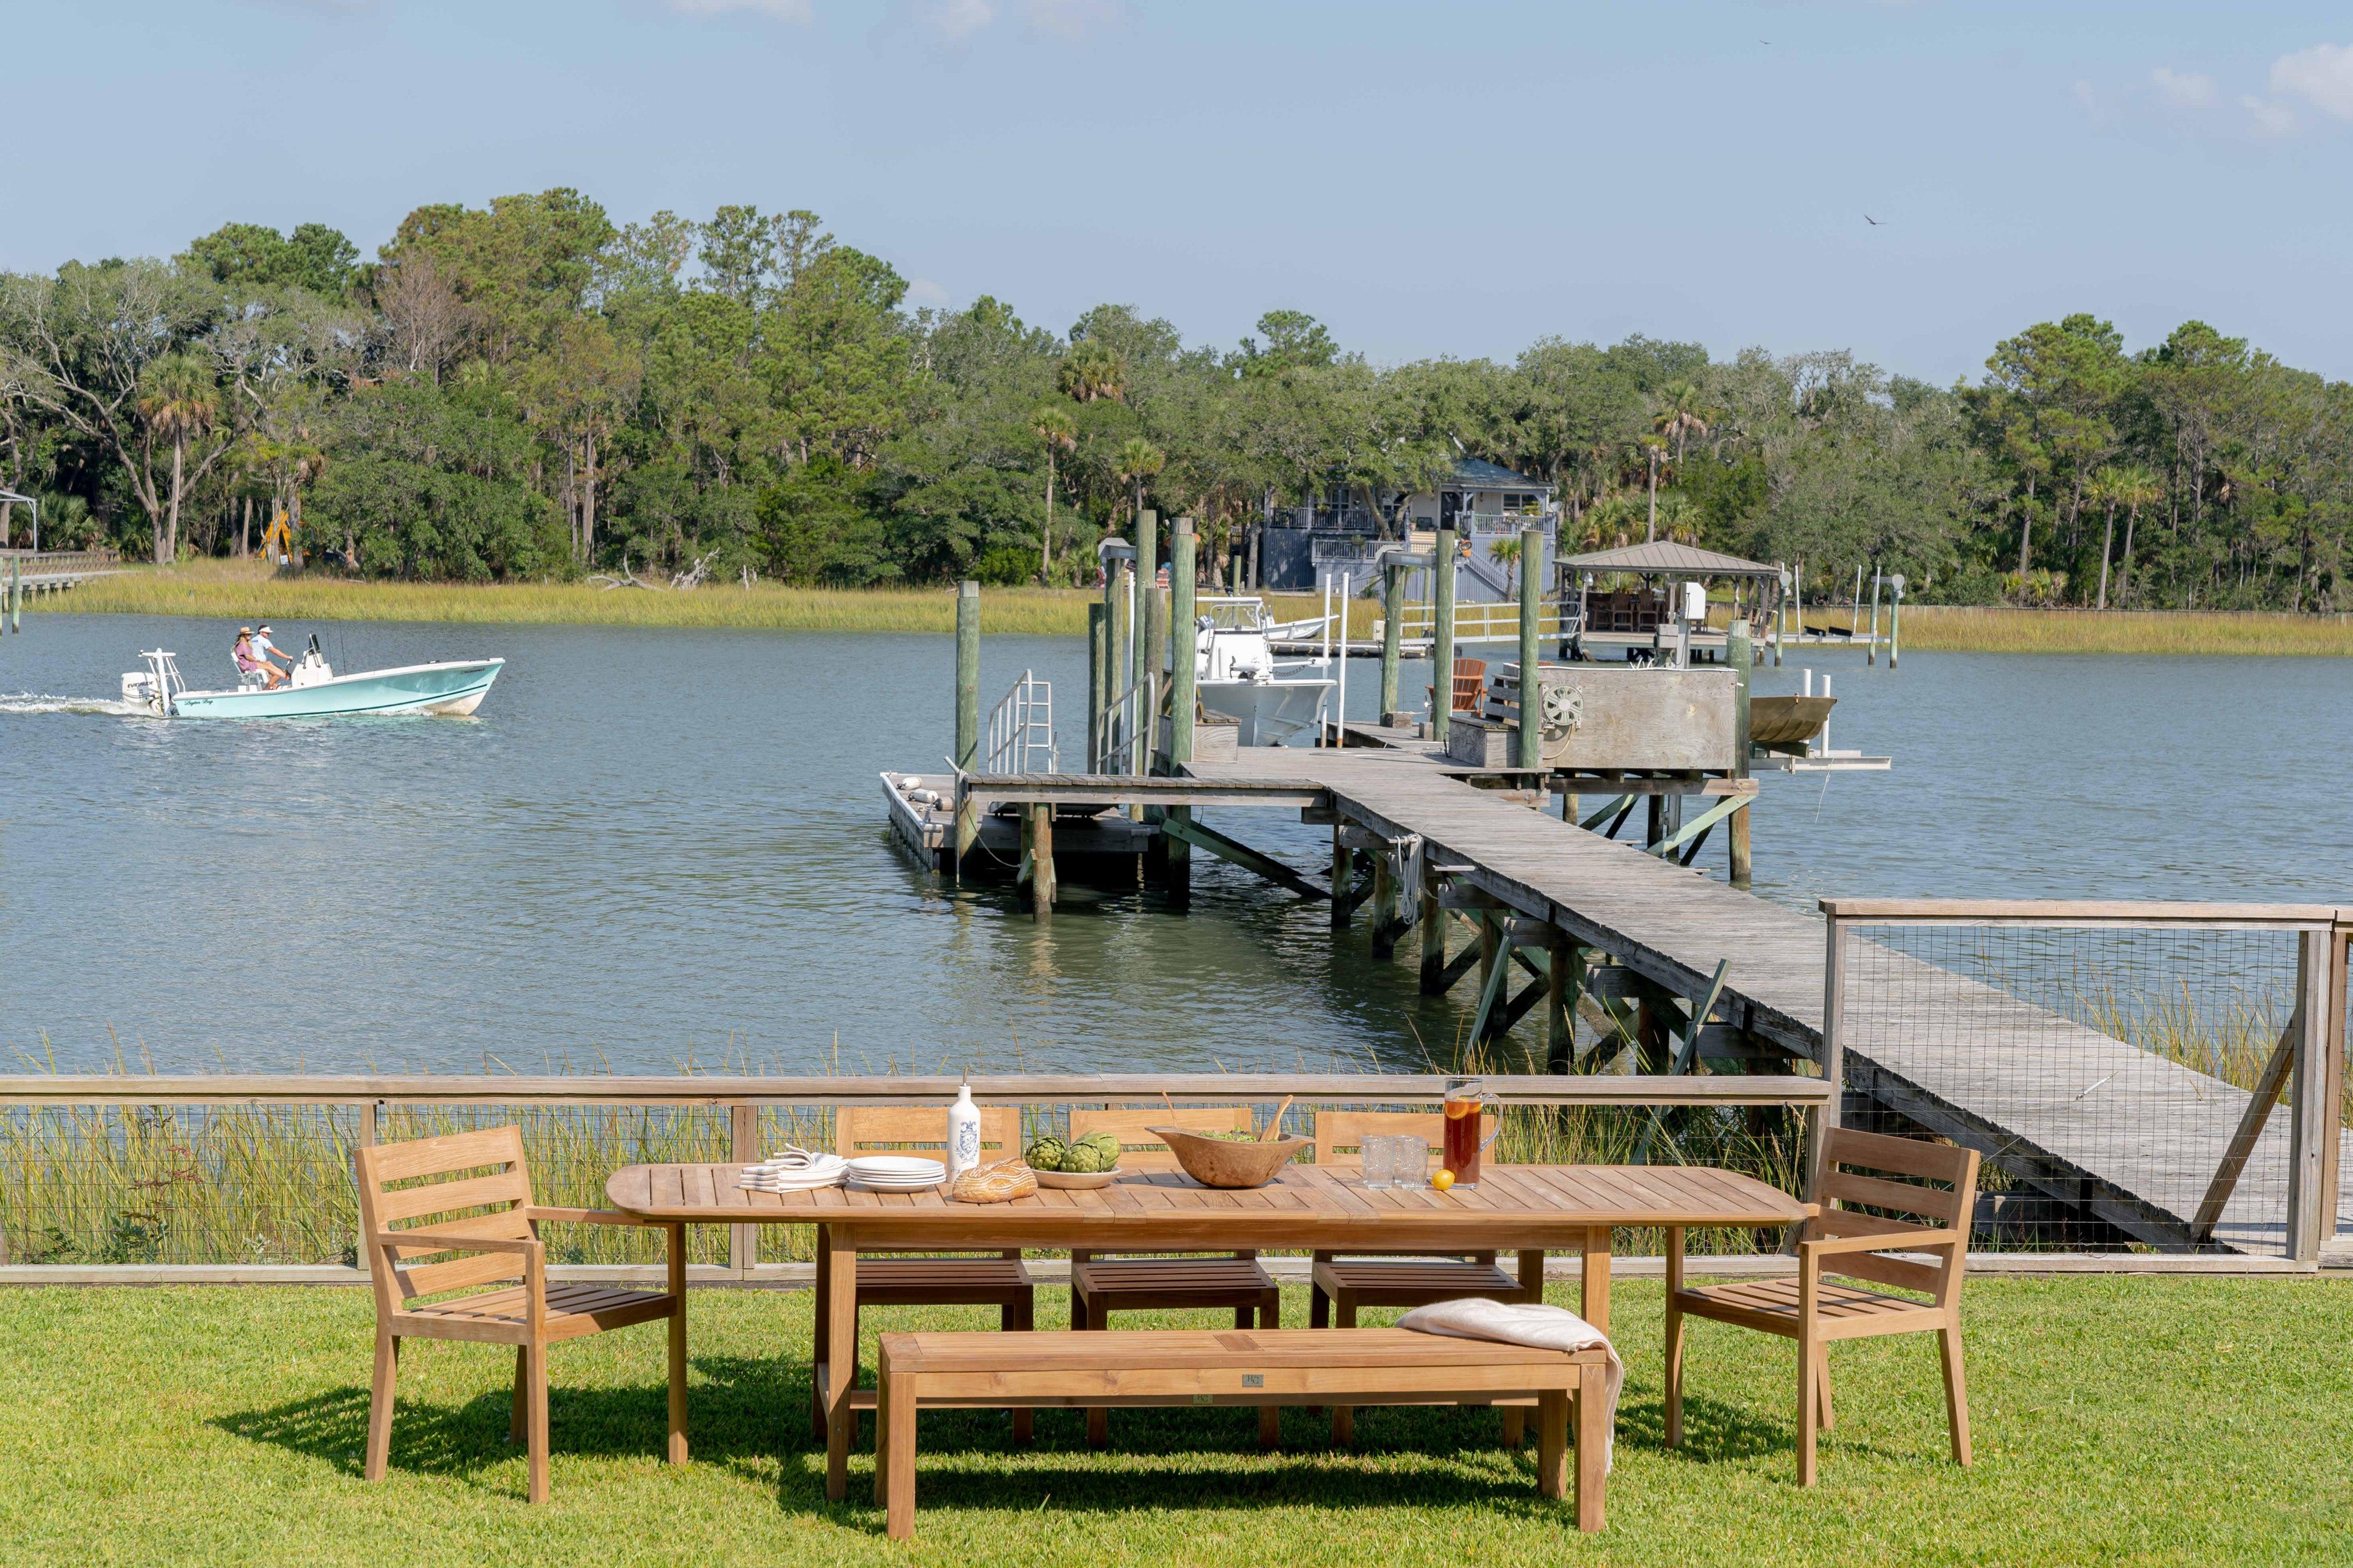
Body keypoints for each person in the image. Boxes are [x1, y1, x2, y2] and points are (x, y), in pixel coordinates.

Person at [248, 624, 291, 688]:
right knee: (279, 672)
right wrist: (287, 657)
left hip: (253, 663)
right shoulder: (264, 640)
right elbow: (275, 651)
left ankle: (274, 685)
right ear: (261, 632)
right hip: (261, 664)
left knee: (274, 670)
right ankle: (266, 689)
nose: (269, 634)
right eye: (267, 633)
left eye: (269, 633)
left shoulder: (252, 640)